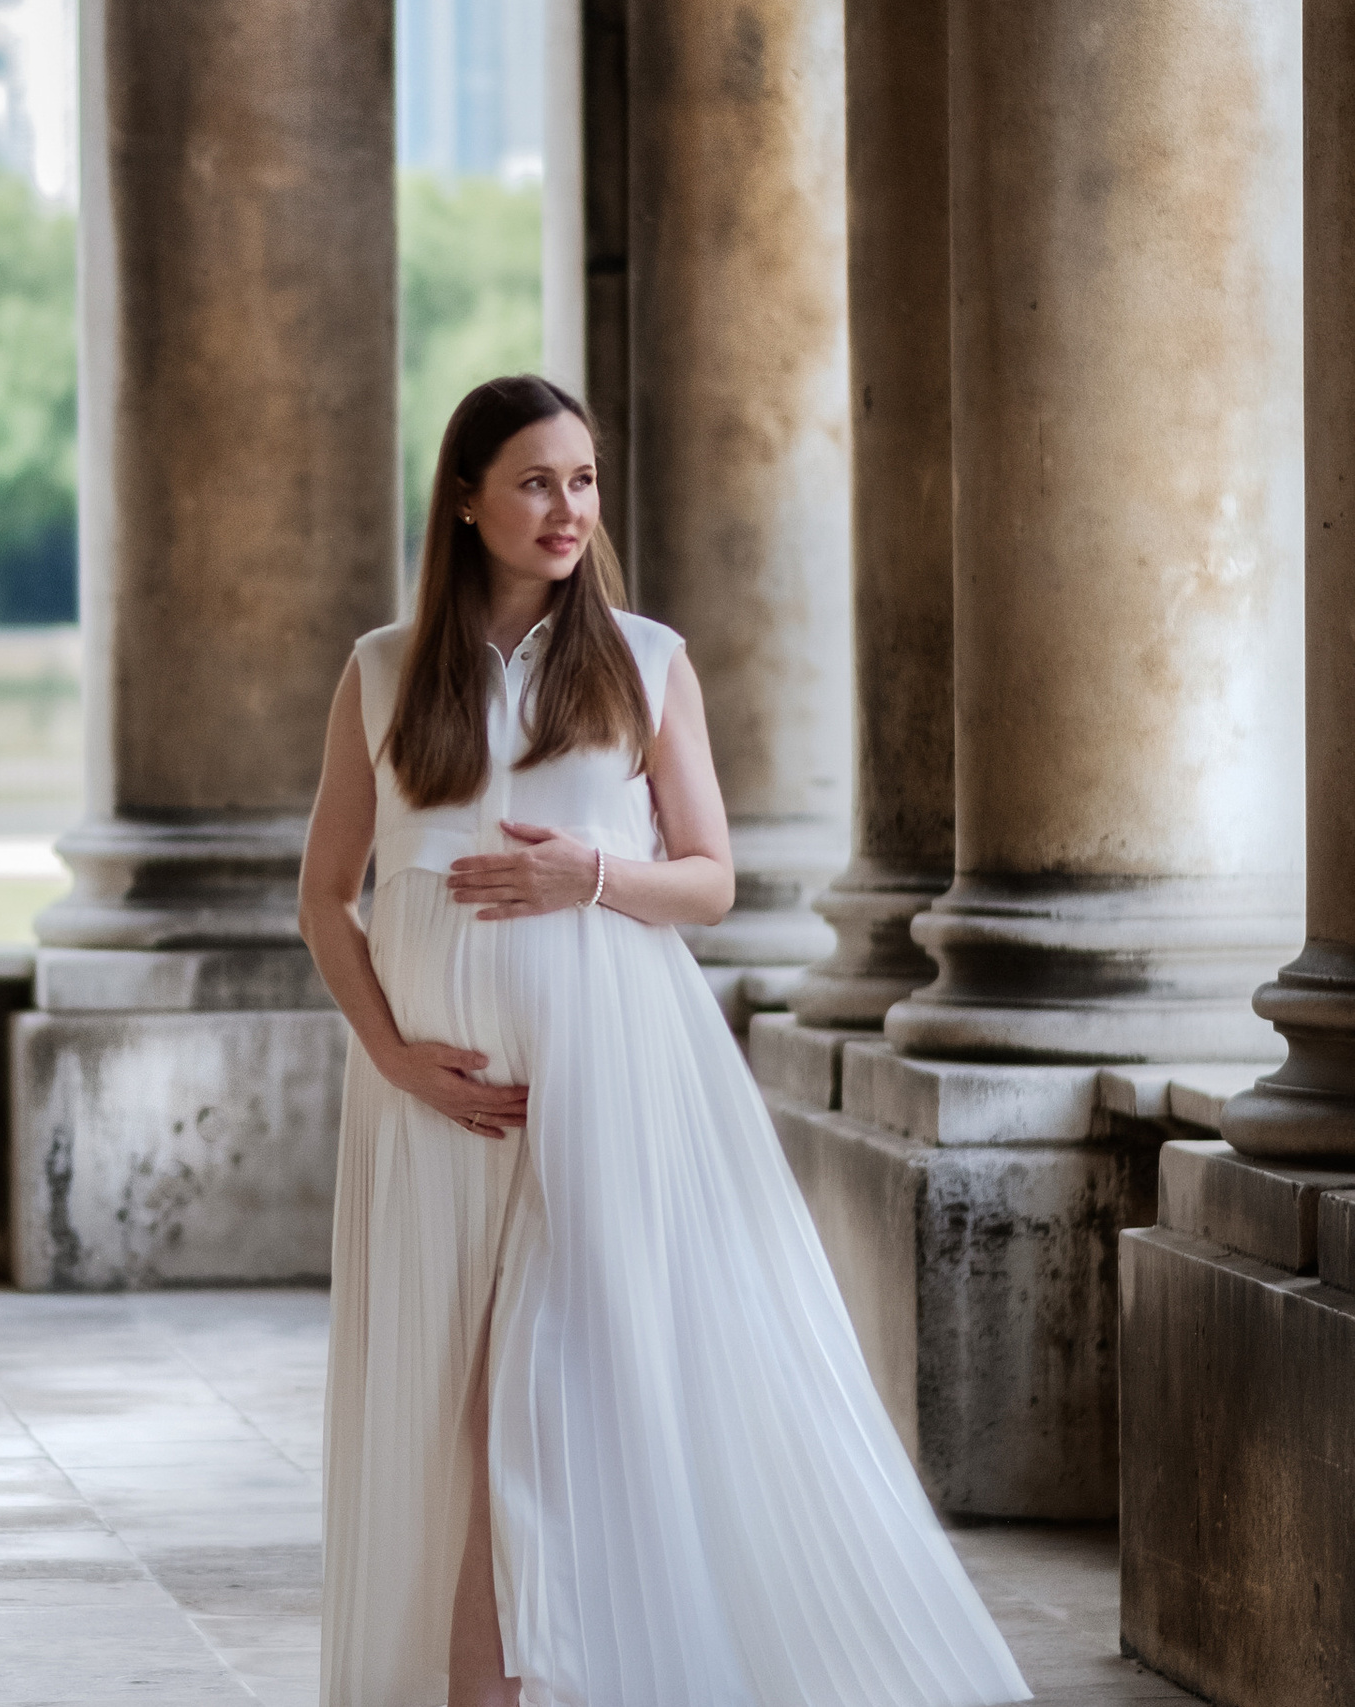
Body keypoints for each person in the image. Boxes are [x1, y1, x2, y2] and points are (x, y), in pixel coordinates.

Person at [302, 376, 1030, 1707]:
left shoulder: (643, 659)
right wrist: (398, 1059)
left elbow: (708, 879)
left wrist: (590, 875)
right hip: (436, 1109)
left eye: (582, 480)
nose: (567, 508)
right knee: (449, 1413)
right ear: (464, 502)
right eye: (534, 481)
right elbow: (322, 897)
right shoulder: (381, 670)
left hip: (608, 1080)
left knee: (528, 1397)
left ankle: (548, 1684)